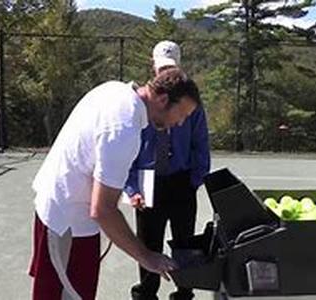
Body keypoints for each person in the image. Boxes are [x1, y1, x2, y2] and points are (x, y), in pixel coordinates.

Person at [28, 67, 202, 300]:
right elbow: (102, 210)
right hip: (65, 223)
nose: (180, 123)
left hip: (73, 221)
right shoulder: (124, 128)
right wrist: (147, 257)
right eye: (182, 114)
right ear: (162, 99)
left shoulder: (115, 90)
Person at [125, 41, 210, 300]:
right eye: (161, 67)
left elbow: (201, 144)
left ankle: (184, 292)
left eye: (170, 68)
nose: (165, 72)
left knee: (185, 242)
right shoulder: (139, 106)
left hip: (182, 181)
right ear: (153, 66)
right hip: (148, 182)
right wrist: (132, 189)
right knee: (148, 243)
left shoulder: (190, 105)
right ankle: (147, 294)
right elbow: (128, 152)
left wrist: (194, 180)